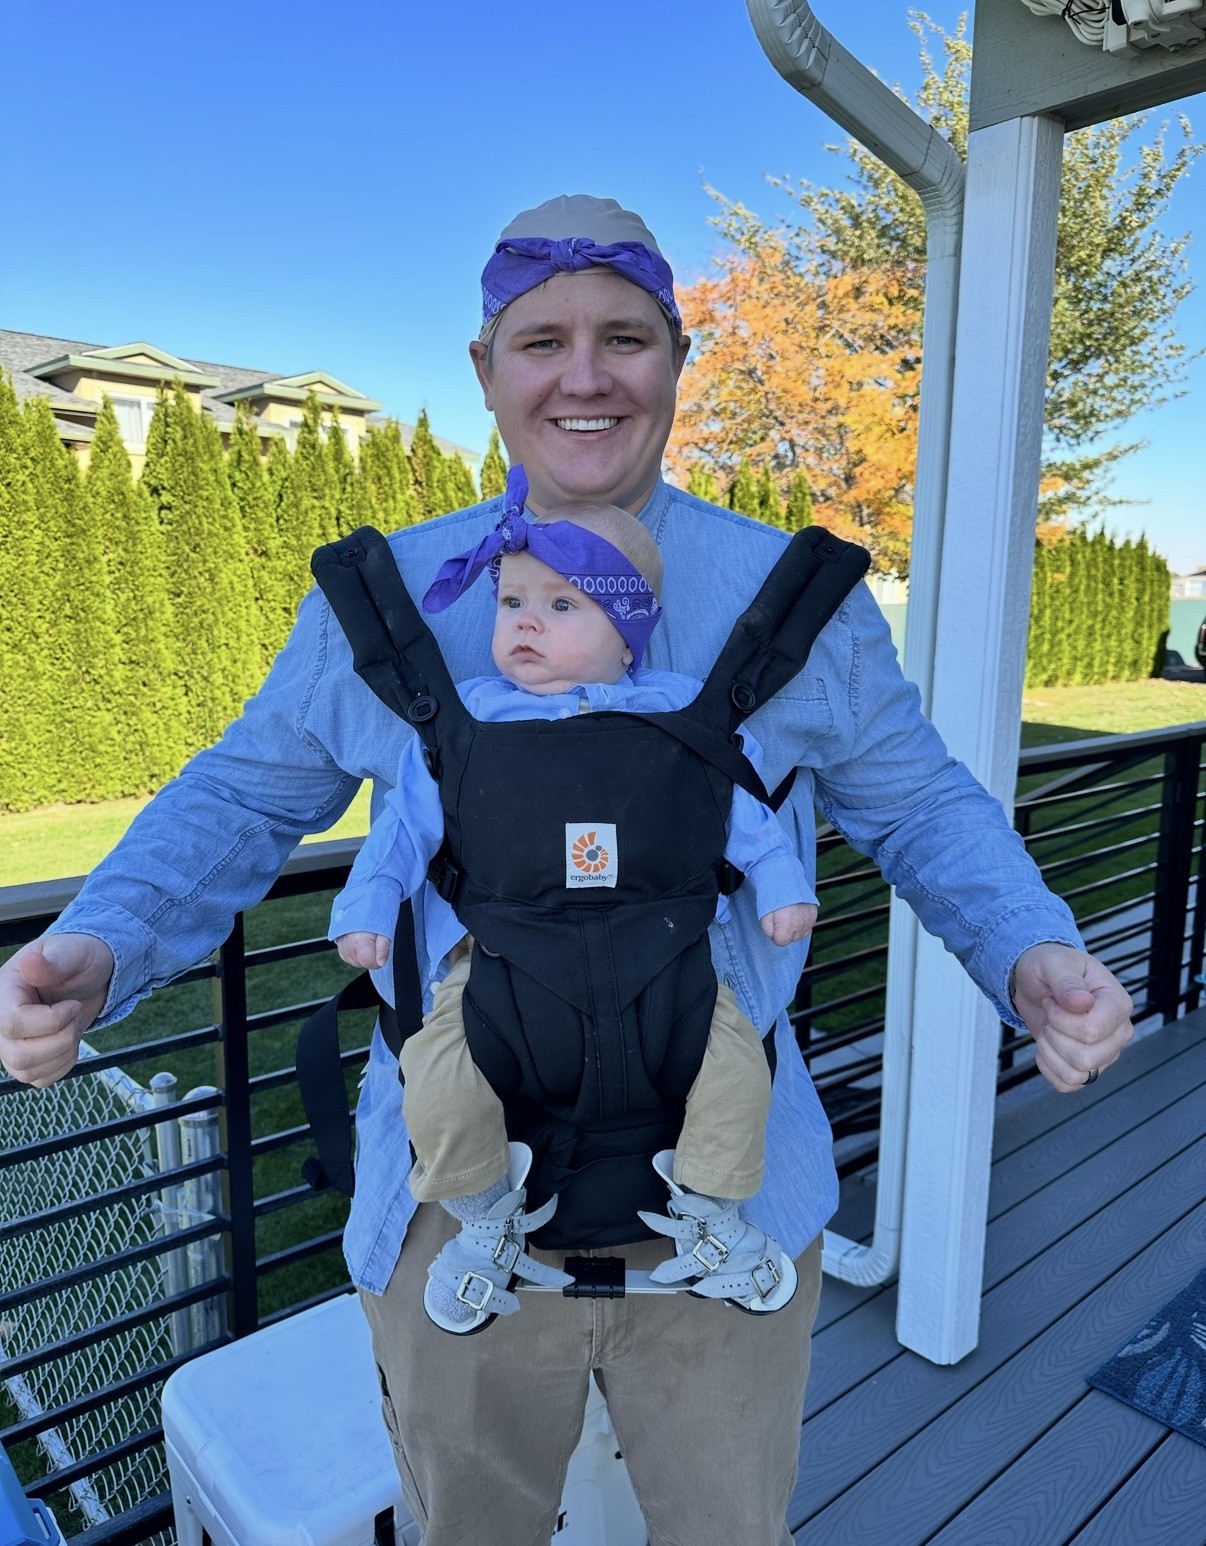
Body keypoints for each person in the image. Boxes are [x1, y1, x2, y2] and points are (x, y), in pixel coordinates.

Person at [0, 195, 1134, 1546]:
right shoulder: (393, 595)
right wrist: (109, 938)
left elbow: (922, 808)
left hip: (728, 1203)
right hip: (454, 1204)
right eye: (541, 339)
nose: (584, 375)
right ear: (486, 370)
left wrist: (1028, 946)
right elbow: (244, 794)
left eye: (625, 337)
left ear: (675, 360)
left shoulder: (796, 599)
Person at [329, 475, 817, 1331]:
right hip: (502, 971)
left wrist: (780, 886)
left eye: (562, 605)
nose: (523, 621)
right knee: (435, 1079)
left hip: (672, 970)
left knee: (739, 1071)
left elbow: (748, 819)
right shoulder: (471, 719)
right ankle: (485, 1215)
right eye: (512, 599)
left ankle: (710, 1208)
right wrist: (367, 905)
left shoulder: (677, 716)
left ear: (626, 634)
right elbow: (401, 833)